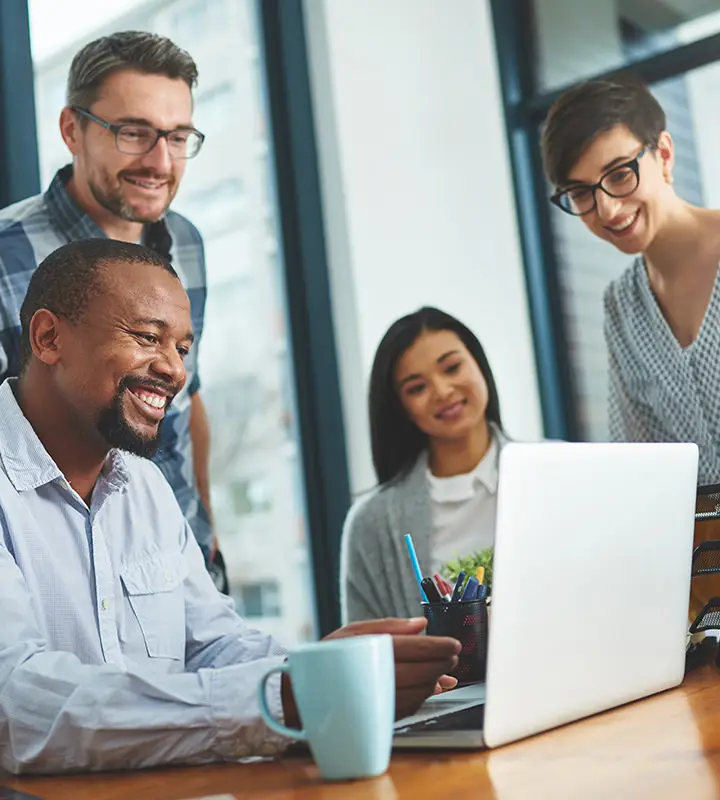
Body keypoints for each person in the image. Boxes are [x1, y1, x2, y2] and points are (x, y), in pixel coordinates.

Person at [0, 239, 461, 775]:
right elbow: (18, 704)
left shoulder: (145, 486)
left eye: (182, 349)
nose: (173, 371)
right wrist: (280, 696)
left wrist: (316, 669)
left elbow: (213, 647)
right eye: (148, 337)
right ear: (49, 338)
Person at [0, 31, 219, 570]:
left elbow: (187, 403)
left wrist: (206, 527)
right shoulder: (4, 254)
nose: (160, 162)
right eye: (133, 133)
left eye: (177, 136)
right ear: (72, 130)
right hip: (61, 572)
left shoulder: (186, 243)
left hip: (182, 555)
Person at [541, 76, 720, 484]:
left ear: (665, 155)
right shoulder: (622, 306)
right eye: (581, 194)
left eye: (620, 174)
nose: (606, 209)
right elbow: (638, 466)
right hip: (700, 546)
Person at [341, 307, 508, 623]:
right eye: (417, 388)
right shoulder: (371, 524)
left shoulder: (552, 474)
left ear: (479, 364)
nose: (443, 391)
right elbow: (374, 652)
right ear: (400, 408)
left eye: (452, 367)